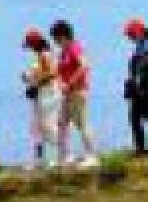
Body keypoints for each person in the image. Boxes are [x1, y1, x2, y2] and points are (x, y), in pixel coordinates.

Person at [51, 20, 99, 167]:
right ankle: (65, 156)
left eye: (56, 38)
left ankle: (92, 156)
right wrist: (60, 83)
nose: (55, 41)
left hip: (78, 91)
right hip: (67, 93)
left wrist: (70, 82)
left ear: (63, 35)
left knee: (82, 123)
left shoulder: (74, 48)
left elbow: (85, 65)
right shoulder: (63, 52)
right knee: (62, 124)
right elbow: (59, 71)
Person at [21, 28, 60, 168]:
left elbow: (52, 73)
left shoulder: (45, 55)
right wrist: (30, 78)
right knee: (36, 128)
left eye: (30, 45)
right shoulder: (40, 55)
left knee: (49, 127)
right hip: (40, 95)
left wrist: (34, 81)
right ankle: (39, 159)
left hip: (48, 95)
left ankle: (59, 156)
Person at [124, 18, 148, 155]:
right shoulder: (140, 46)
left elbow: (142, 67)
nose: (130, 38)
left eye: (131, 35)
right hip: (140, 89)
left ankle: (141, 149)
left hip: (145, 88)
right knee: (134, 117)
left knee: (136, 117)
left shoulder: (144, 46)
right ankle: (140, 149)